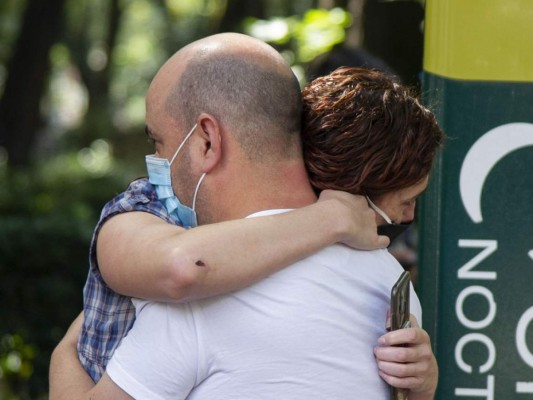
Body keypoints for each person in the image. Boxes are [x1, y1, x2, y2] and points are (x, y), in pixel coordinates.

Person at [49, 34, 440, 399]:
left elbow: (185, 267)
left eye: (159, 143)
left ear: (206, 141)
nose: (156, 163)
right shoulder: (391, 286)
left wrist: (64, 355)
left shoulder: (201, 301)